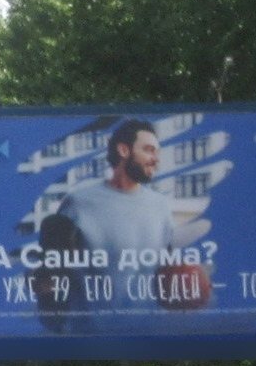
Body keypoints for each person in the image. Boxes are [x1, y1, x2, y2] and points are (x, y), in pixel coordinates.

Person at [45, 117, 209, 316]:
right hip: (91, 330)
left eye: (157, 152)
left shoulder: (160, 206)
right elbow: (53, 273)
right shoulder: (78, 202)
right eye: (149, 150)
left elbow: (167, 269)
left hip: (147, 330)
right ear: (124, 150)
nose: (156, 159)